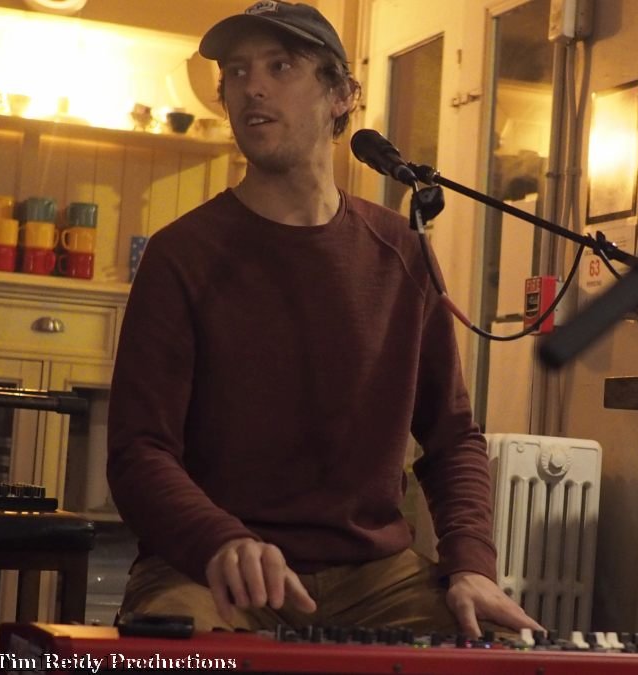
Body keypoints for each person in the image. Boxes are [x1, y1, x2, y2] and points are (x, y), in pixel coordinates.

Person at [107, 0, 543, 639]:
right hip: (217, 567)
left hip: (375, 576)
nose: (252, 86)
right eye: (236, 72)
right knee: (176, 647)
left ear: (341, 95)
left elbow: (452, 438)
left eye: (280, 66)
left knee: (500, 645)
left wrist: (471, 565)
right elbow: (138, 451)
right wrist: (220, 540)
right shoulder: (181, 254)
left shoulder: (402, 251)